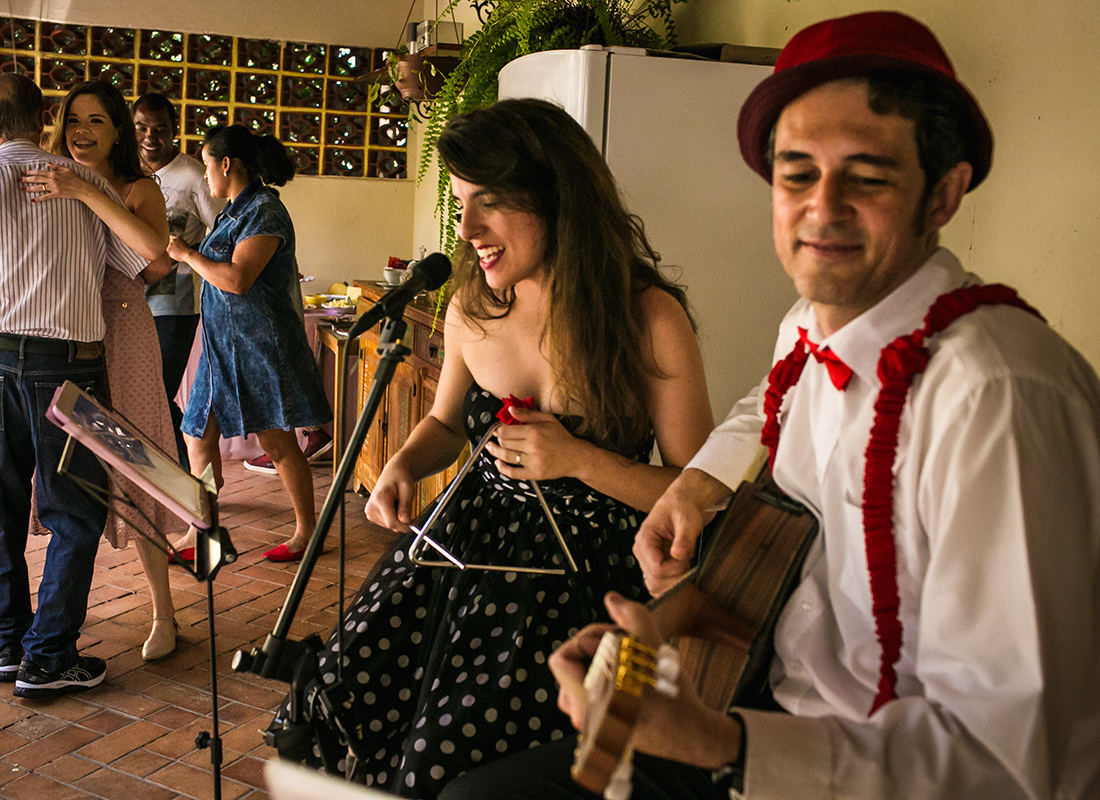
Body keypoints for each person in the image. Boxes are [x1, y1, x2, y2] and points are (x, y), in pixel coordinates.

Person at [440, 11, 1100, 800]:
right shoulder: (810, 327)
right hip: (762, 697)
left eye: (868, 175)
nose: (822, 207)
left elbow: (1009, 767)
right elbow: (768, 404)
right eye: (796, 174)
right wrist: (693, 498)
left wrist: (721, 744)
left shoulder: (997, 395)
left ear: (945, 193)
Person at [298, 98, 715, 799]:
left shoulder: (648, 319)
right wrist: (403, 464)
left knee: (466, 760)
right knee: (355, 698)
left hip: (590, 580)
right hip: (466, 555)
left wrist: (583, 462)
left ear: (557, 196)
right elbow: (445, 423)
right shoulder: (473, 305)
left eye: (488, 203)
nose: (467, 230)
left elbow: (699, 494)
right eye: (461, 203)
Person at [0, 73, 152, 697]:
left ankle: (7, 642)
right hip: (71, 371)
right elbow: (143, 264)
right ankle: (49, 656)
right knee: (75, 513)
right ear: (45, 122)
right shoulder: (82, 184)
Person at [21, 80, 181, 661]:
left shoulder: (139, 187)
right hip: (62, 335)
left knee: (135, 459)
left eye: (96, 121)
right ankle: (51, 616)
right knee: (66, 466)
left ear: (118, 132)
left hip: (123, 333)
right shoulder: (46, 176)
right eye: (73, 120)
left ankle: (164, 612)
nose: (81, 131)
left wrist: (84, 190)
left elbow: (155, 251)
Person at [165, 125, 332, 562]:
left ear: (226, 164)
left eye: (206, 166)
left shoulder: (264, 212)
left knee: (277, 443)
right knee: (197, 435)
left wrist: (188, 255)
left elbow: (238, 279)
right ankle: (203, 532)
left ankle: (307, 531)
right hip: (222, 348)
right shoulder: (231, 213)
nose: (204, 176)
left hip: (259, 347)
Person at [131, 92, 226, 470]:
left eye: (160, 129)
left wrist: (186, 253)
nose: (150, 137)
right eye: (141, 128)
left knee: (155, 393)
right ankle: (183, 476)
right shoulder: (127, 171)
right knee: (137, 393)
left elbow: (224, 233)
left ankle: (188, 476)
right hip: (128, 302)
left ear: (175, 130)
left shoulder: (192, 175)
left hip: (174, 305)